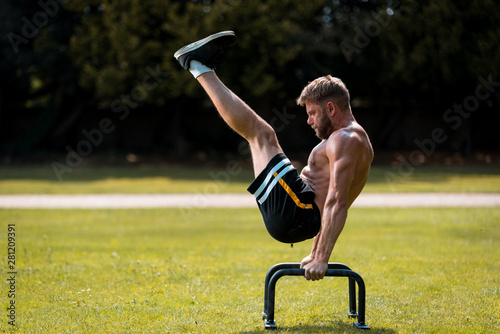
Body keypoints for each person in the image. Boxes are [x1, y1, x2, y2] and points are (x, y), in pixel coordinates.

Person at [174, 31, 374, 281]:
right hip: (299, 215)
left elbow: (337, 202)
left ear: (331, 108)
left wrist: (322, 257)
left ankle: (197, 65)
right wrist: (315, 253)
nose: (309, 120)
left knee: (261, 135)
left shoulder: (344, 140)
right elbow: (331, 201)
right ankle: (200, 66)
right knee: (261, 135)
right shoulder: (357, 140)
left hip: (296, 212)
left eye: (312, 113)